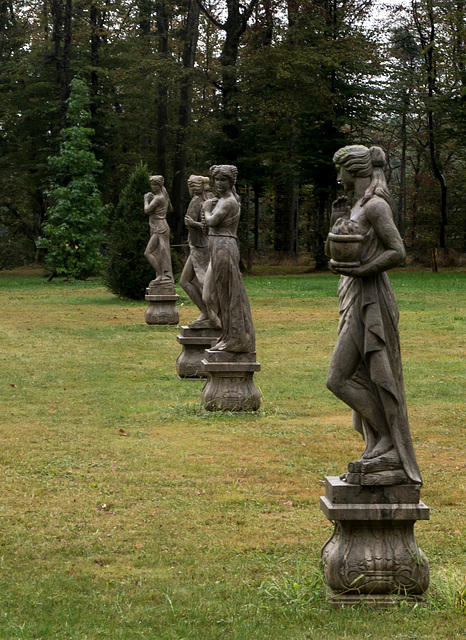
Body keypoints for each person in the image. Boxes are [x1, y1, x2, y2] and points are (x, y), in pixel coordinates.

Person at [325, 145, 421, 484]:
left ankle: (390, 443)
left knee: (339, 378)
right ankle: (383, 443)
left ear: (355, 169)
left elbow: (398, 251)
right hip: (354, 294)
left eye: (342, 170)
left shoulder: (376, 205)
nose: (339, 177)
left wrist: (363, 269)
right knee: (358, 374)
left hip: (371, 300)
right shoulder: (358, 204)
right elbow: (343, 244)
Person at [201, 165, 255, 353]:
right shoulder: (225, 200)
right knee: (222, 294)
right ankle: (227, 335)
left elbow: (211, 221)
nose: (218, 183)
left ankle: (236, 338)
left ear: (231, 182)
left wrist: (207, 208)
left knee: (228, 293)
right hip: (218, 247)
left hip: (224, 247)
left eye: (223, 180)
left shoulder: (228, 201)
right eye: (216, 179)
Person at [179, 175, 218, 327]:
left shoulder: (197, 200)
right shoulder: (211, 198)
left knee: (197, 281)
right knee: (190, 281)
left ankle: (209, 313)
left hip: (200, 246)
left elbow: (206, 225)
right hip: (203, 245)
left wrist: (192, 223)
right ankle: (207, 312)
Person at [144, 175, 174, 285]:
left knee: (148, 252)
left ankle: (161, 274)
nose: (153, 187)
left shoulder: (159, 198)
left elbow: (147, 210)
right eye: (152, 184)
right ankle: (162, 275)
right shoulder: (165, 196)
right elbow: (170, 209)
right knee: (161, 252)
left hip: (159, 227)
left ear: (160, 185)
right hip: (161, 224)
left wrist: (146, 200)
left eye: (155, 184)